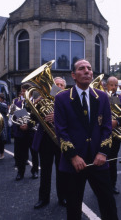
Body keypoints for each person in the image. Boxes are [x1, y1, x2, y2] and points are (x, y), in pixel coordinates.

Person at [54, 59, 118, 220]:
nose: (87, 71)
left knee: (108, 203)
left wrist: (103, 153)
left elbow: (106, 127)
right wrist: (73, 156)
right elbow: (61, 131)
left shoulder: (102, 97)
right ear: (73, 75)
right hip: (74, 163)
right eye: (81, 69)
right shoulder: (62, 98)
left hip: (99, 160)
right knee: (74, 207)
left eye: (89, 68)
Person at [33, 77, 67, 209]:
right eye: (56, 84)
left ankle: (62, 197)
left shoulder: (69, 99)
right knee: (45, 172)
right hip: (45, 139)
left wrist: (56, 116)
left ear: (64, 87)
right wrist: (35, 106)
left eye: (61, 85)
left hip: (62, 140)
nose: (58, 86)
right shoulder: (43, 99)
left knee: (62, 171)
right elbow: (31, 117)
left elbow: (74, 117)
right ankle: (43, 198)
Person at [106, 76, 121, 194]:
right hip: (101, 134)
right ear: (106, 85)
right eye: (111, 85)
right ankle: (101, 185)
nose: (114, 87)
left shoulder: (120, 98)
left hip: (114, 134)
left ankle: (112, 185)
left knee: (112, 160)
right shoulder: (100, 96)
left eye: (116, 85)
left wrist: (118, 120)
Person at [11, 83, 38, 180]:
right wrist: (20, 125)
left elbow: (37, 117)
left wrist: (28, 125)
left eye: (25, 91)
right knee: (20, 154)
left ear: (30, 92)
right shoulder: (16, 102)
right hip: (20, 131)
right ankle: (20, 172)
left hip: (32, 131)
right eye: (22, 91)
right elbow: (13, 116)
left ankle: (35, 171)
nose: (22, 93)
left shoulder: (36, 101)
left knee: (34, 153)